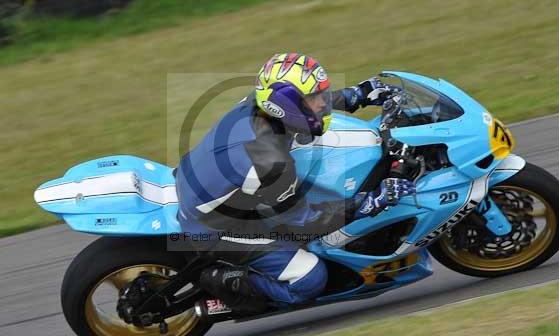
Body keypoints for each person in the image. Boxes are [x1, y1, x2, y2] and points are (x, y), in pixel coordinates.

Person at [174, 53, 416, 314]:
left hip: (204, 183)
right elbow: (306, 223)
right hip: (213, 229)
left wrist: (355, 95)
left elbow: (304, 106)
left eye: (321, 93)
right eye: (315, 97)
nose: (322, 102)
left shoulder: (259, 102)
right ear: (285, 105)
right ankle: (223, 283)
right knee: (309, 278)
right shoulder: (272, 163)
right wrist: (369, 202)